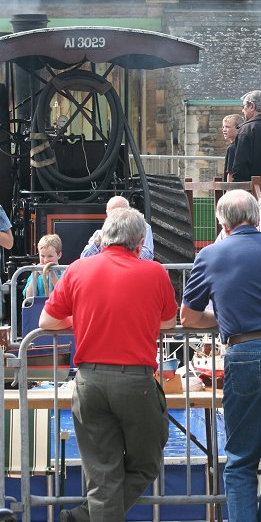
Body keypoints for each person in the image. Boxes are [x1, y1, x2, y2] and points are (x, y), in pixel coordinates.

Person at [180, 189, 261, 522]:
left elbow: (189, 318)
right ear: (257, 217)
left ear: (222, 223)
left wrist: (223, 319)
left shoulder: (211, 255)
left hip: (247, 350)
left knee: (241, 460)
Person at [39, 207, 178, 522]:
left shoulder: (76, 269)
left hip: (89, 381)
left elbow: (48, 320)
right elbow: (169, 322)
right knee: (146, 463)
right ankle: (86, 515)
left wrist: (84, 319)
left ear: (104, 237)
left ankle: (86, 515)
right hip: (136, 383)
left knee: (103, 477)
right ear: (140, 241)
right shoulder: (155, 272)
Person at [80, 195, 154, 260]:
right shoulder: (99, 233)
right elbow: (84, 258)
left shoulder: (143, 227)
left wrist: (127, 247)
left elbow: (148, 256)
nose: (118, 217)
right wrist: (97, 242)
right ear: (107, 213)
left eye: (121, 212)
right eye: (114, 214)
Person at [23, 234, 63, 298]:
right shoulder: (34, 273)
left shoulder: (65, 273)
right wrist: (35, 275)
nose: (46, 260)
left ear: (59, 255)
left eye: (50, 256)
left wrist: (52, 275)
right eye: (42, 256)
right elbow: (28, 298)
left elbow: (64, 295)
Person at [222, 114, 243, 182]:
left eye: (227, 127)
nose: (224, 130)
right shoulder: (244, 145)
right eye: (223, 127)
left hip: (233, 188)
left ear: (238, 129)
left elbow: (230, 173)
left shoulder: (232, 148)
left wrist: (228, 191)